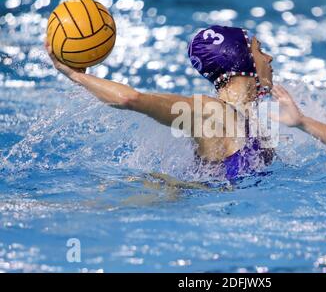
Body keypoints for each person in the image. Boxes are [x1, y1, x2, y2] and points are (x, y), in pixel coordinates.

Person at [45, 25, 274, 180]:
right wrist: (76, 76)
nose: (268, 58)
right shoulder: (210, 112)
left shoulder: (249, 117)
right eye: (259, 50)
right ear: (240, 58)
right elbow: (131, 98)